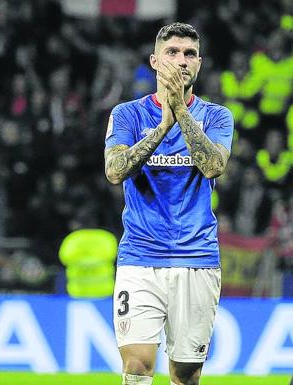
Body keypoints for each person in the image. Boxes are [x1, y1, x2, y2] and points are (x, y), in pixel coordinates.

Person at [104, 23, 233, 385]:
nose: (181, 62)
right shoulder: (128, 114)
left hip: (197, 259)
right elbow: (114, 171)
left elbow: (213, 166)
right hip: (140, 257)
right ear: (155, 61)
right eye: (172, 53)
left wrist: (181, 112)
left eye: (189, 54)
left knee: (186, 376)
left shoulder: (218, 116)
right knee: (137, 368)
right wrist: (162, 126)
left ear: (200, 64)